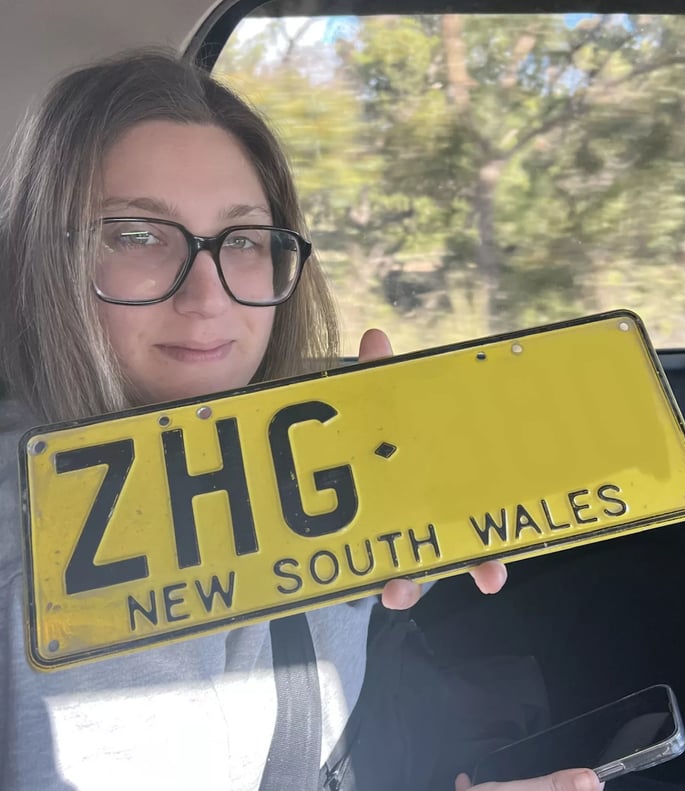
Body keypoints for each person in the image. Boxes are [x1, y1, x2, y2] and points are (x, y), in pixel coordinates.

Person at [0, 48, 602, 791]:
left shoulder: (288, 442)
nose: (208, 296)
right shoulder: (55, 549)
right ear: (42, 260)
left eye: (243, 240)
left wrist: (418, 507)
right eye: (137, 235)